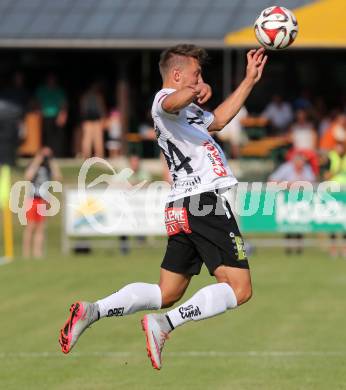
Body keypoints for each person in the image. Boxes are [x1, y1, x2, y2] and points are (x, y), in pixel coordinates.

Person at [59, 44, 267, 370]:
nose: (201, 79)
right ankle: (164, 325)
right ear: (177, 74)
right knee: (239, 290)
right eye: (196, 73)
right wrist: (192, 89)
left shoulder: (187, 111)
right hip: (204, 201)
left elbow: (220, 120)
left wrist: (249, 80)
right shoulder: (163, 101)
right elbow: (170, 100)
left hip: (182, 204)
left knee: (167, 291)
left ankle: (93, 310)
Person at [269, 153, 316, 254]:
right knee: (287, 224)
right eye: (300, 162)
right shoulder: (286, 168)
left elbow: (312, 182)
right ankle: (288, 249)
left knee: (300, 223)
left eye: (303, 162)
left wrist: (301, 185)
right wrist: (287, 185)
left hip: (302, 201)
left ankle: (299, 249)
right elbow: (272, 180)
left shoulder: (306, 169)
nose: (301, 164)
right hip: (287, 200)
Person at [22, 147, 62, 258]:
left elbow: (58, 177)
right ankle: (26, 254)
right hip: (32, 199)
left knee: (40, 228)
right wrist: (37, 160)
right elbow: (28, 176)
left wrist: (51, 161)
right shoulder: (33, 164)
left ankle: (37, 254)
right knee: (30, 227)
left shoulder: (49, 167)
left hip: (43, 201)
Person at [322, 141, 346, 257]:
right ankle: (333, 248)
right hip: (333, 192)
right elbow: (326, 175)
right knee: (333, 220)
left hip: (345, 192)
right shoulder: (331, 158)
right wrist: (337, 170)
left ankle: (344, 248)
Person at [36, 74, 67, 157]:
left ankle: (57, 154)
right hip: (45, 116)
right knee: (46, 136)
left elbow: (63, 104)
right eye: (50, 79)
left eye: (53, 80)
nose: (51, 81)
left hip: (56, 116)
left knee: (57, 137)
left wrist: (62, 114)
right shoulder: (42, 90)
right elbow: (37, 102)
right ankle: (45, 155)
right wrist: (39, 112)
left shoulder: (59, 90)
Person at [80, 82, 107, 158]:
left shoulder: (96, 96)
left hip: (94, 121)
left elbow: (101, 108)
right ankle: (88, 156)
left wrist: (102, 119)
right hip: (90, 121)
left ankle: (97, 156)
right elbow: (101, 108)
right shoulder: (87, 96)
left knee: (96, 140)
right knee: (89, 140)